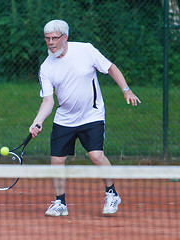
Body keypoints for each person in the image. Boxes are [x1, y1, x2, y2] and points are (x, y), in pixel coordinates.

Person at [29, 19, 141, 217]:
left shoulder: (86, 50)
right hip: (65, 118)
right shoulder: (46, 67)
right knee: (56, 160)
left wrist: (126, 90)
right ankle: (60, 203)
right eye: (47, 38)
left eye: (55, 38)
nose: (51, 42)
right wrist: (37, 121)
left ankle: (112, 193)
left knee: (96, 155)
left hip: (92, 114)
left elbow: (111, 67)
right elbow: (48, 101)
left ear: (65, 37)